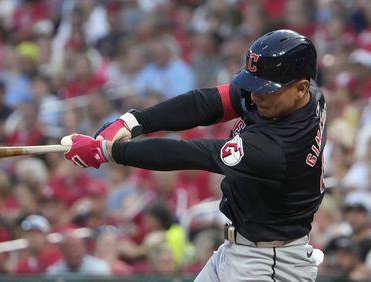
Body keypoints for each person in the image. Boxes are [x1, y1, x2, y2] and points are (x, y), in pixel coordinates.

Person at [61, 29, 327, 281]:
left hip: (268, 262)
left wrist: (108, 151)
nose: (255, 96)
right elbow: (207, 104)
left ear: (301, 88)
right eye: (254, 85)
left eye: (265, 89)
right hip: (245, 249)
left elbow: (188, 153)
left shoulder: (276, 148)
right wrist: (132, 121)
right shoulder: (303, 96)